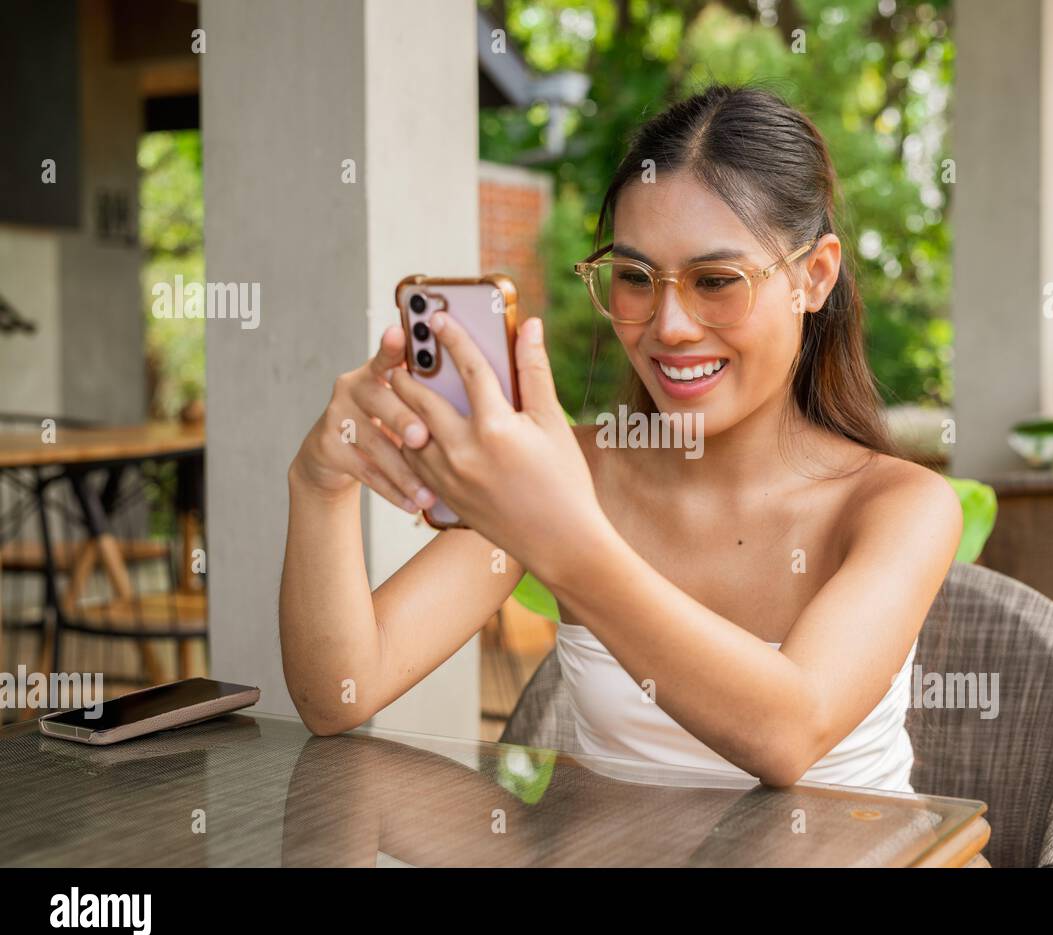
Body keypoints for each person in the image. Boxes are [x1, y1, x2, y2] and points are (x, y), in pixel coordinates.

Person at [280, 83, 961, 791]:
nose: (669, 324)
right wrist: (318, 484)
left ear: (814, 276)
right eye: (636, 276)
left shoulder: (900, 504)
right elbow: (340, 695)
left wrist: (561, 536)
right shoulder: (570, 472)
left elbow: (789, 732)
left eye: (716, 279)